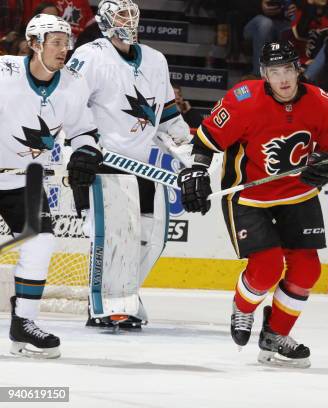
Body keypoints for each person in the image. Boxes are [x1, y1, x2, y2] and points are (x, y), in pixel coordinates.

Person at [178, 41, 328, 368]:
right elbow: (206, 140)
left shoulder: (322, 103)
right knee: (268, 267)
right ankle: (243, 309)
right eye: (274, 72)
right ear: (264, 74)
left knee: (307, 269)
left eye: (287, 69)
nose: (283, 78)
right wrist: (197, 170)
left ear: (298, 70)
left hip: (298, 193)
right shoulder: (244, 100)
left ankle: (275, 335)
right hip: (248, 194)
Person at [67, 0, 192, 329]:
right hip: (101, 162)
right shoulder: (90, 55)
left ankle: (125, 296)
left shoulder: (155, 59)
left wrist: (189, 160)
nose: (129, 20)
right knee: (110, 236)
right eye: (121, 15)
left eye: (132, 14)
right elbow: (70, 105)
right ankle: (105, 305)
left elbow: (166, 115)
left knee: (150, 235)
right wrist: (82, 148)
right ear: (106, 20)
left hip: (140, 166)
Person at [0, 14, 100, 358]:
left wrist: (85, 153)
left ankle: (23, 324)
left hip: (24, 178)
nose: (64, 49)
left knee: (41, 242)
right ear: (34, 45)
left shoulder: (73, 83)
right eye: (56, 42)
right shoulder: (4, 72)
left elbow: (84, 130)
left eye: (66, 42)